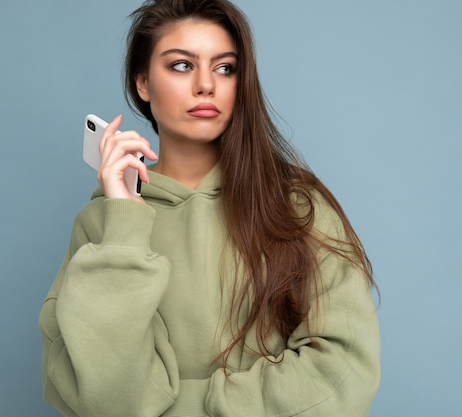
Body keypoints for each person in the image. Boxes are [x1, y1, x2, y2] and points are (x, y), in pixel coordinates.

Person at [38, 0, 380, 416]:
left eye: (225, 68)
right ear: (143, 83)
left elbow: (342, 376)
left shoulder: (296, 206)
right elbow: (108, 399)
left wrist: (180, 406)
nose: (206, 85)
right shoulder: (101, 228)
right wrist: (124, 226)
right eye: (181, 65)